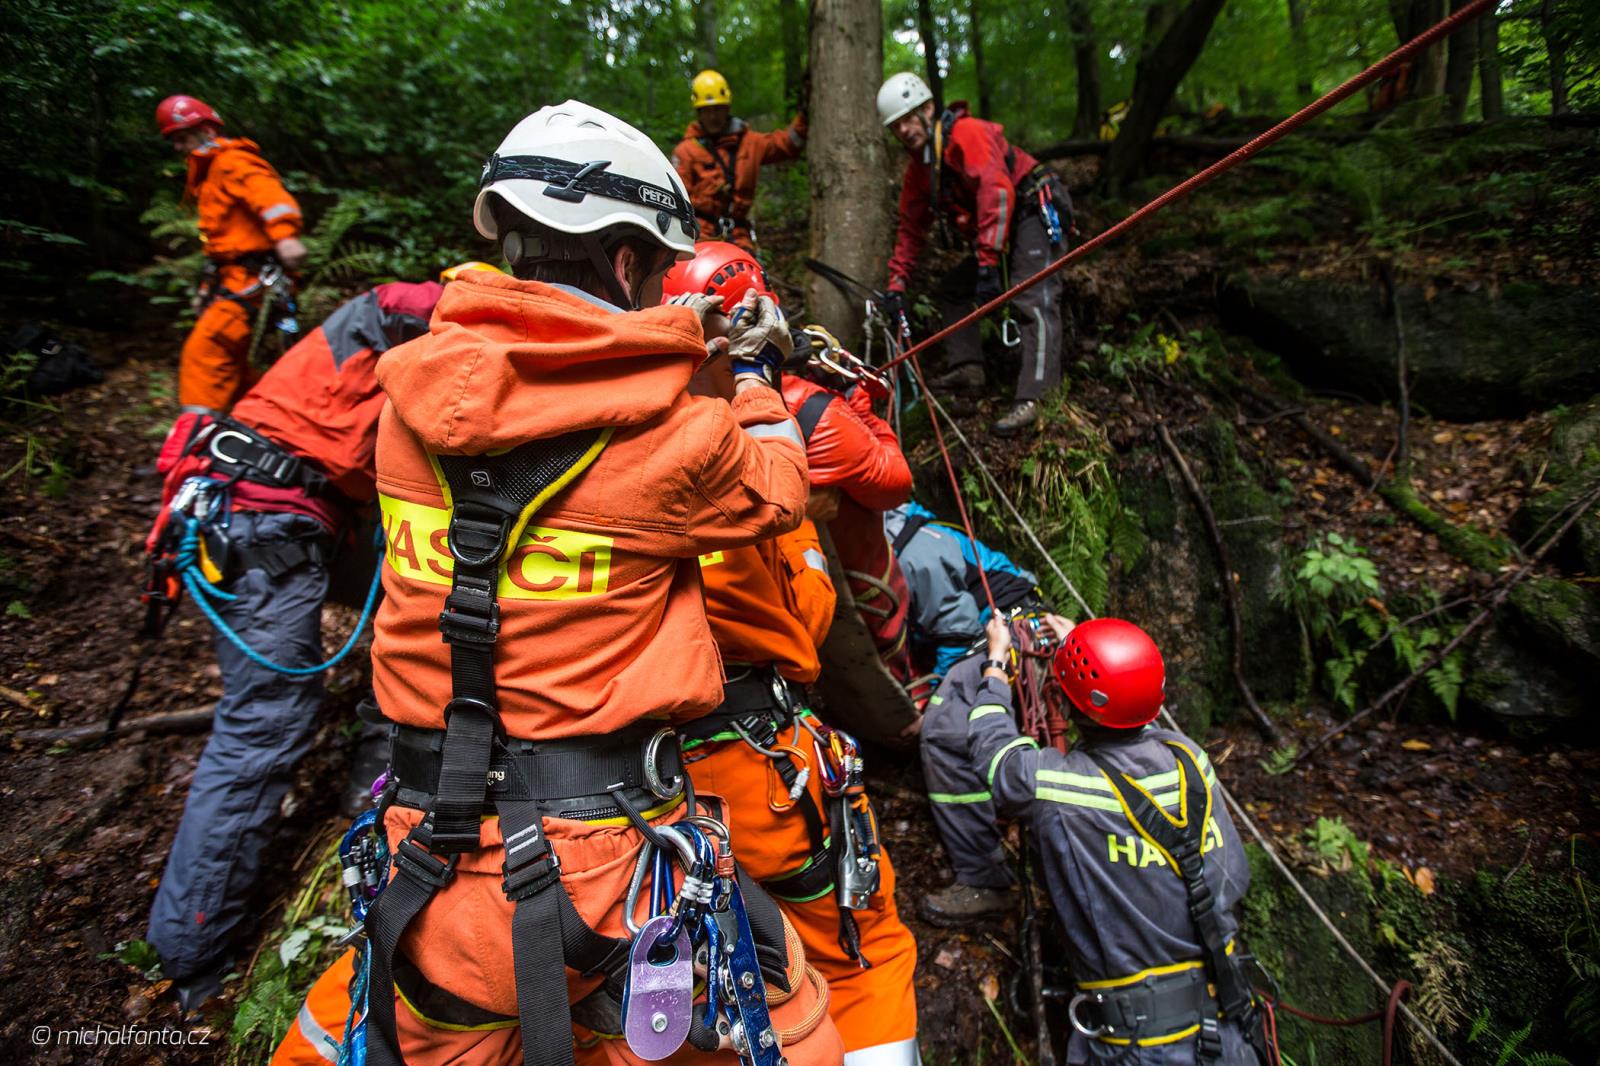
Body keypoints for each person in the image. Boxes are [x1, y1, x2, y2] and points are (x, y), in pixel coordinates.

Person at [332, 100, 839, 1066]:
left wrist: (667, 341)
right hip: (609, 874)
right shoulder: (674, 436)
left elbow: (534, 383)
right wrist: (751, 374)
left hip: (425, 863)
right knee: (799, 1024)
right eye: (649, 274)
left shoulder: (404, 408)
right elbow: (780, 492)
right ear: (623, 261)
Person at [142, 269, 470, 1011]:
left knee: (422, 589)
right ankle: (187, 953)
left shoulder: (385, 342)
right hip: (264, 513)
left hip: (284, 509)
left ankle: (378, 766)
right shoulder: (401, 309)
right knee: (265, 724)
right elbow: (427, 313)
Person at [666, 250, 922, 1066]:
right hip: (763, 761)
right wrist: (853, 408)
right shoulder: (785, 429)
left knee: (693, 959)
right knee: (858, 947)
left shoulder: (614, 432)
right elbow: (886, 487)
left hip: (641, 774)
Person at [920, 612, 1269, 1061]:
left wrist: (995, 666)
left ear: (1069, 702)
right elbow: (1135, 717)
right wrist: (1089, 656)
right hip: (1232, 1023)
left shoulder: (1061, 787)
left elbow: (995, 755)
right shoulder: (1192, 760)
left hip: (1142, 1048)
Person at [876, 72, 1069, 438]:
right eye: (895, 126)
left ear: (927, 110)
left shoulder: (967, 134)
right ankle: (968, 366)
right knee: (952, 290)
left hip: (1033, 207)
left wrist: (987, 262)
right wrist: (896, 285)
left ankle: (1037, 396)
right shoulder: (919, 171)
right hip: (1003, 230)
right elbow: (911, 230)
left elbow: (996, 191)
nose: (903, 130)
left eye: (908, 119)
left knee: (1034, 294)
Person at [155, 95, 306, 414]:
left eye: (183, 138)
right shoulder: (210, 172)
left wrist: (286, 237)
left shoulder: (232, 162)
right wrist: (205, 291)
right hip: (231, 280)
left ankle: (195, 438)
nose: (178, 147)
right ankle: (262, 424)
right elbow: (221, 246)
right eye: (174, 141)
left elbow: (270, 198)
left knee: (204, 354)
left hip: (251, 280)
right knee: (232, 364)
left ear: (207, 130)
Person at [883, 500, 1039, 684]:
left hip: (1006, 616)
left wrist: (937, 693)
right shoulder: (899, 537)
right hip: (972, 622)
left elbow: (958, 633)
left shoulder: (916, 559)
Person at [672, 70, 806, 254]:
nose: (713, 116)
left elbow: (787, 144)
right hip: (700, 238)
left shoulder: (750, 143)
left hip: (739, 237)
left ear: (727, 108)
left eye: (718, 109)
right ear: (699, 113)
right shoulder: (686, 151)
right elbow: (676, 203)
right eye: (707, 111)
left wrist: (804, 114)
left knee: (750, 271)